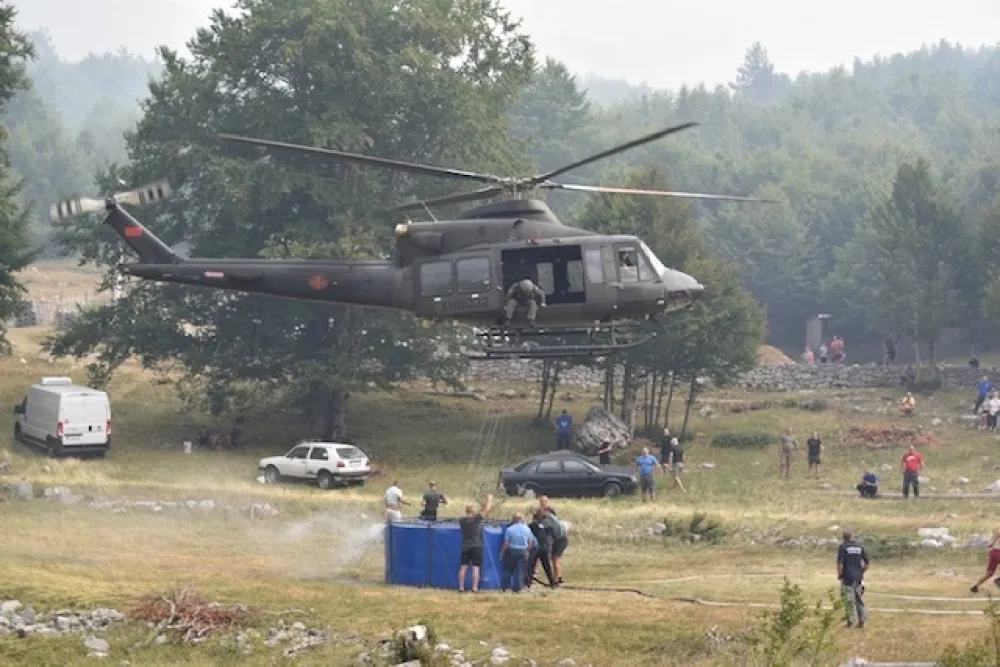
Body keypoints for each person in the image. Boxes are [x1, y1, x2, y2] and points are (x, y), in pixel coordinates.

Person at [458, 494, 493, 593]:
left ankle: (461, 587)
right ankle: (474, 587)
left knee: (463, 567)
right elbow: (487, 509)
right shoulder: (476, 519)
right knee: (475, 568)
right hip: (476, 545)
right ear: (474, 512)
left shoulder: (462, 521)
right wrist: (489, 499)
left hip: (465, 546)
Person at [837, 529, 870, 628]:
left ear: (843, 537)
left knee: (848, 601)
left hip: (847, 577)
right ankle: (862, 621)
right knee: (859, 600)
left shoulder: (843, 547)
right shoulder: (859, 547)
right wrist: (861, 571)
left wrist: (840, 575)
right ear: (852, 536)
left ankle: (850, 621)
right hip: (858, 578)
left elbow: (840, 563)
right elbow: (867, 563)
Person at [500, 512, 536, 593]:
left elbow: (506, 542)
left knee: (508, 570)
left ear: (513, 519)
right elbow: (530, 542)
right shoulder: (527, 529)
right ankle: (517, 588)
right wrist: (527, 551)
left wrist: (502, 552)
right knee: (520, 571)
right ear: (522, 519)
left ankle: (504, 587)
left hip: (512, 550)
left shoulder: (510, 529)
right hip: (523, 551)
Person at [526, 508, 557, 589]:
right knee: (547, 566)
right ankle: (552, 582)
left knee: (531, 566)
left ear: (534, 519)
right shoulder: (544, 526)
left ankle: (528, 583)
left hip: (536, 548)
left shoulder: (531, 526)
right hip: (545, 548)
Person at [970, 528, 1000, 593]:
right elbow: (998, 533)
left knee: (989, 573)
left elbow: (997, 534)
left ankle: (975, 586)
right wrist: (992, 543)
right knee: (989, 573)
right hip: (998, 552)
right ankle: (998, 581)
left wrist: (991, 544)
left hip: (994, 552)